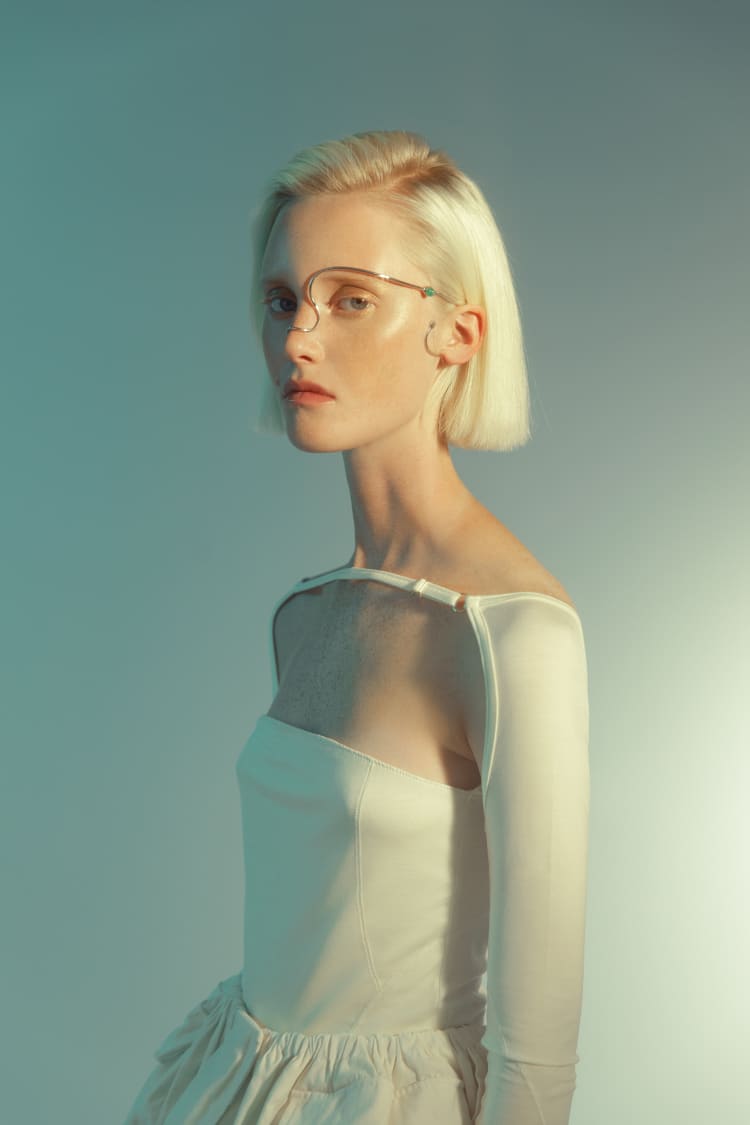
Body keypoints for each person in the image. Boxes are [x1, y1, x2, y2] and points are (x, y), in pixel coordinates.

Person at [122, 129, 590, 1124]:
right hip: (235, 1083)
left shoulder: (511, 632)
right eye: (281, 299)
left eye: (350, 300)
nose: (298, 338)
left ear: (455, 332)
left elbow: (539, 1059)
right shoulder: (306, 613)